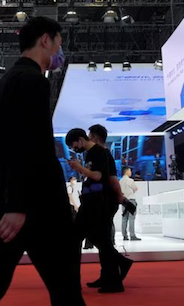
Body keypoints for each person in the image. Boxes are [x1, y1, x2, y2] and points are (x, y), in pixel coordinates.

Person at [0, 16, 86, 306]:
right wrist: (18, 205)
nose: (59, 53)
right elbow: (28, 144)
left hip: (18, 205)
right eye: (59, 44)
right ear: (46, 40)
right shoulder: (32, 80)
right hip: (36, 209)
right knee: (64, 290)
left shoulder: (9, 80)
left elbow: (14, 145)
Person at [67, 128, 126, 294]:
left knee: (96, 239)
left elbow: (98, 176)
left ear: (81, 139)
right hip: (92, 202)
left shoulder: (98, 152)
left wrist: (78, 168)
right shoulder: (93, 153)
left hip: (98, 202)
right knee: (99, 239)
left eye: (73, 145)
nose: (74, 149)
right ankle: (112, 274)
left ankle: (112, 278)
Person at [86, 124, 134, 288]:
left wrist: (120, 196)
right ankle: (108, 273)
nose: (88, 138)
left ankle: (116, 268)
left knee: (100, 238)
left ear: (95, 137)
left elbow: (112, 178)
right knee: (101, 239)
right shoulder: (104, 154)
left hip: (105, 201)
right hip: (105, 200)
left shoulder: (103, 154)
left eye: (89, 135)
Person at [119, 167, 140, 241]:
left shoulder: (120, 181)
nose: (131, 172)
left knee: (124, 218)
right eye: (130, 170)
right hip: (131, 200)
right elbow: (135, 188)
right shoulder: (130, 180)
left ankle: (124, 235)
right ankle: (132, 235)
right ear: (127, 171)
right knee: (131, 218)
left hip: (124, 201)